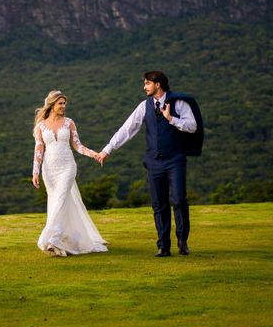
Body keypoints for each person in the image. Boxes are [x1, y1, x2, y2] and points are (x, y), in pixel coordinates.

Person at [98, 71, 201, 257]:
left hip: (175, 160)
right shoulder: (144, 106)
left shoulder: (178, 103)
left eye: (147, 83)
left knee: (178, 200)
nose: (144, 87)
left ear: (158, 84)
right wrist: (107, 150)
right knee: (159, 205)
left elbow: (192, 126)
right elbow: (127, 129)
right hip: (154, 163)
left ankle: (182, 240)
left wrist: (171, 119)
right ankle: (163, 246)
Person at [32, 90, 108, 256]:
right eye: (60, 103)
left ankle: (54, 238)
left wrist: (93, 153)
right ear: (51, 105)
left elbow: (78, 146)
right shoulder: (40, 126)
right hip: (49, 170)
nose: (63, 106)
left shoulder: (69, 123)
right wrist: (35, 172)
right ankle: (66, 237)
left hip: (67, 167)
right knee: (56, 202)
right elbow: (39, 149)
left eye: (64, 103)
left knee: (60, 199)